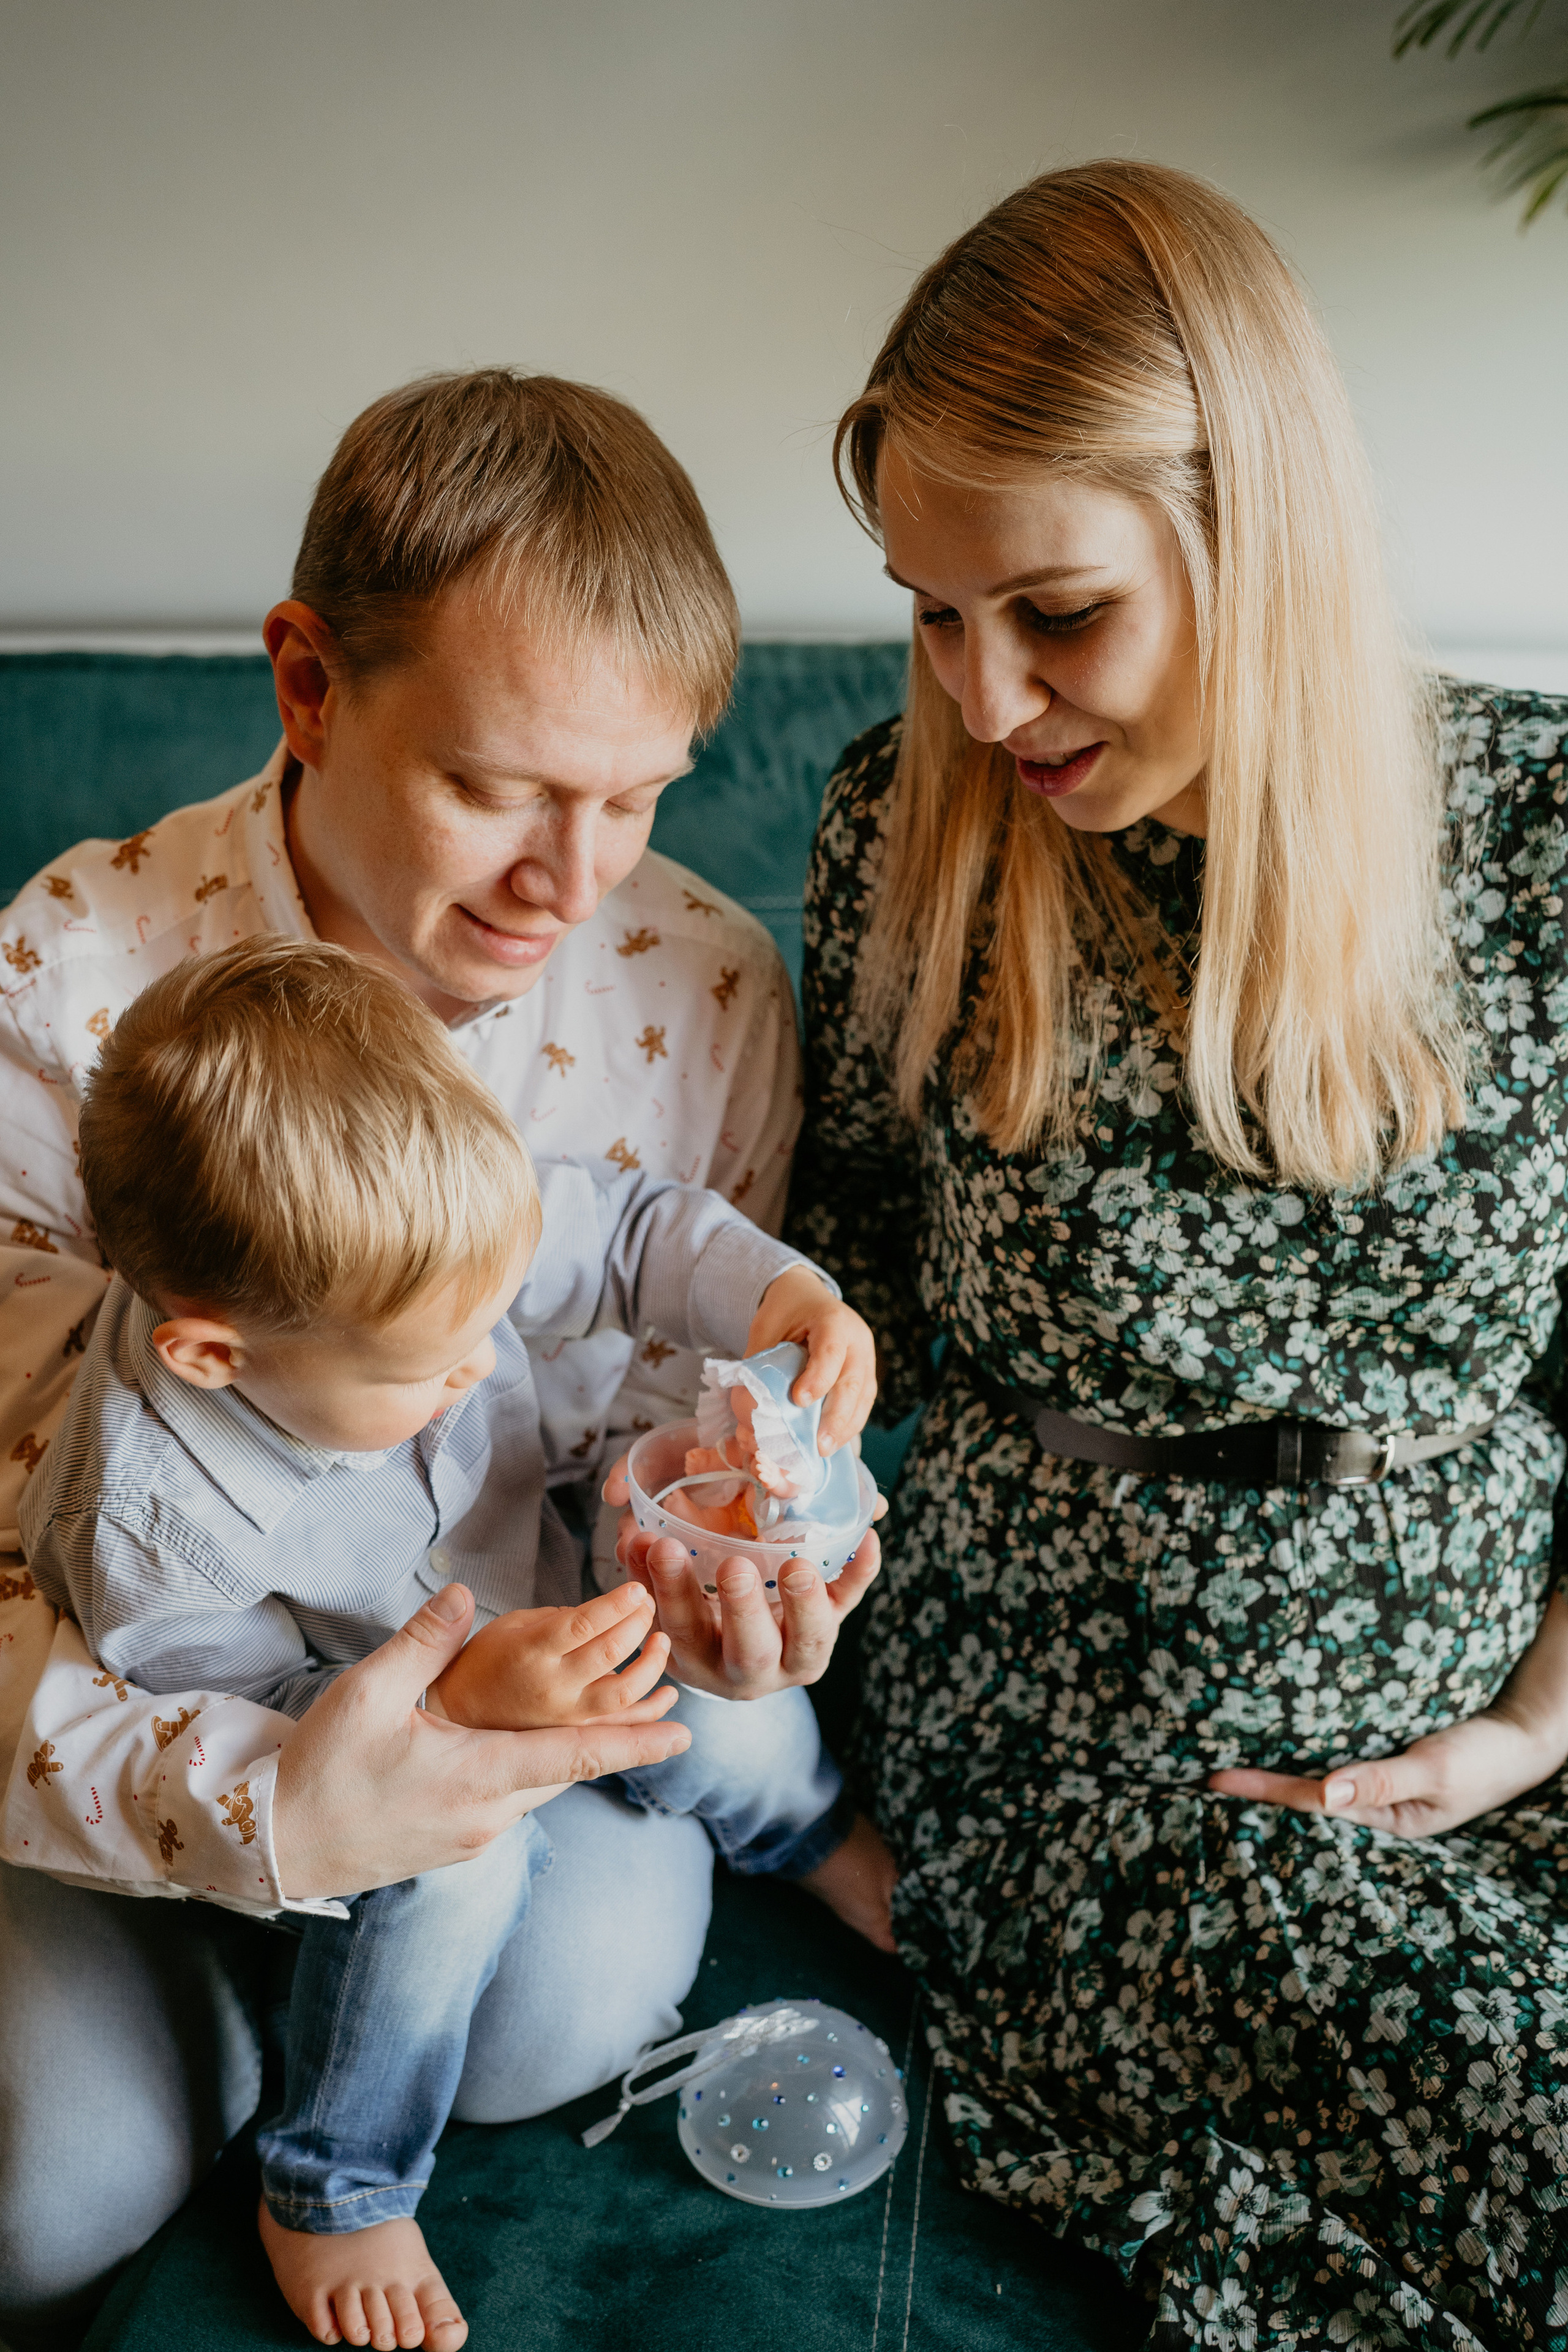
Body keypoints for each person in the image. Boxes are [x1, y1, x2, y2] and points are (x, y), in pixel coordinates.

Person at [0, 369, 884, 2348]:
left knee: (547, 2013)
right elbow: (50, 1561)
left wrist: (716, 1558)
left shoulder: (700, 986)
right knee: (44, 2191)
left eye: (639, 794)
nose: (577, 884)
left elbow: (644, 1408)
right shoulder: (72, 987)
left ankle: (320, 2048)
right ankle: (251, 2072)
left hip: (510, 1696)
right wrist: (289, 1814)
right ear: (308, 686)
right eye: (500, 785)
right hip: (145, 1712)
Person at [785, 159, 1568, 2346]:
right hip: (1105, 1759)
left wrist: (1526, 1729)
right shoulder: (907, 823)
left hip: (1505, 1708)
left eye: (1053, 610)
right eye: (930, 613)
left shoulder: (1541, 840)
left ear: (1262, 535)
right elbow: (825, 1275)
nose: (986, 693)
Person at [24, 937, 873, 2348]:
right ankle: (336, 2182)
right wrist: (460, 1700)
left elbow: (631, 1236)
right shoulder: (150, 1518)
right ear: (216, 1356)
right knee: (453, 1868)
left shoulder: (429, 1231)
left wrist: (783, 1301)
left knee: (697, 1663)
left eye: (496, 1314)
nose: (486, 1360)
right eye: (434, 1361)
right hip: (362, 1762)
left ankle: (812, 1833)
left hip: (531, 1583)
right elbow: (244, 1737)